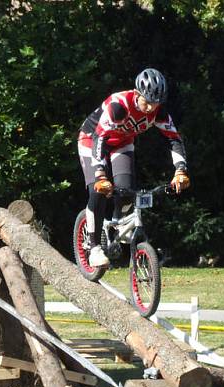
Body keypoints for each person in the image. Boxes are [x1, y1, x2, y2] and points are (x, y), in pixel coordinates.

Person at [77, 67, 191, 267]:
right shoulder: (118, 107)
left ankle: (117, 226)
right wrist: (100, 174)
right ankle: (94, 247)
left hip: (122, 142)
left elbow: (174, 139)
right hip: (91, 141)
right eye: (146, 102)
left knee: (127, 188)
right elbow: (100, 138)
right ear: (137, 94)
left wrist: (180, 170)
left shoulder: (159, 112)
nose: (149, 109)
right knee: (99, 189)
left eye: (155, 104)